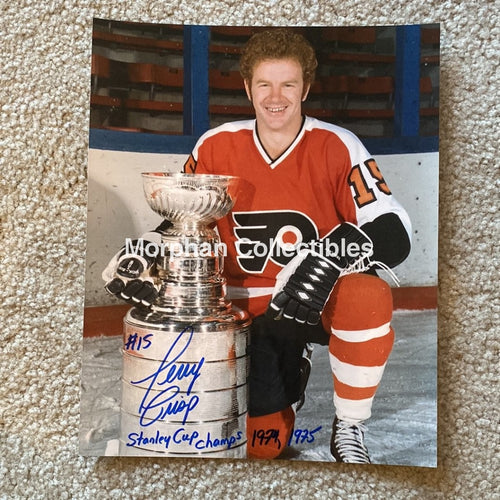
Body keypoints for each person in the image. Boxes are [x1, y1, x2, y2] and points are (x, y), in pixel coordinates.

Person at [103, 28, 411, 463]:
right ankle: (286, 379)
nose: (276, 97)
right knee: (262, 449)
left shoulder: (338, 144)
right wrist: (148, 250)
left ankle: (350, 425)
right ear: (248, 88)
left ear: (305, 87)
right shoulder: (217, 143)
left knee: (367, 293)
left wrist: (330, 253)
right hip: (242, 309)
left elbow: (394, 230)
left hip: (309, 297)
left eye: (288, 84)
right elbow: (181, 220)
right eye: (264, 84)